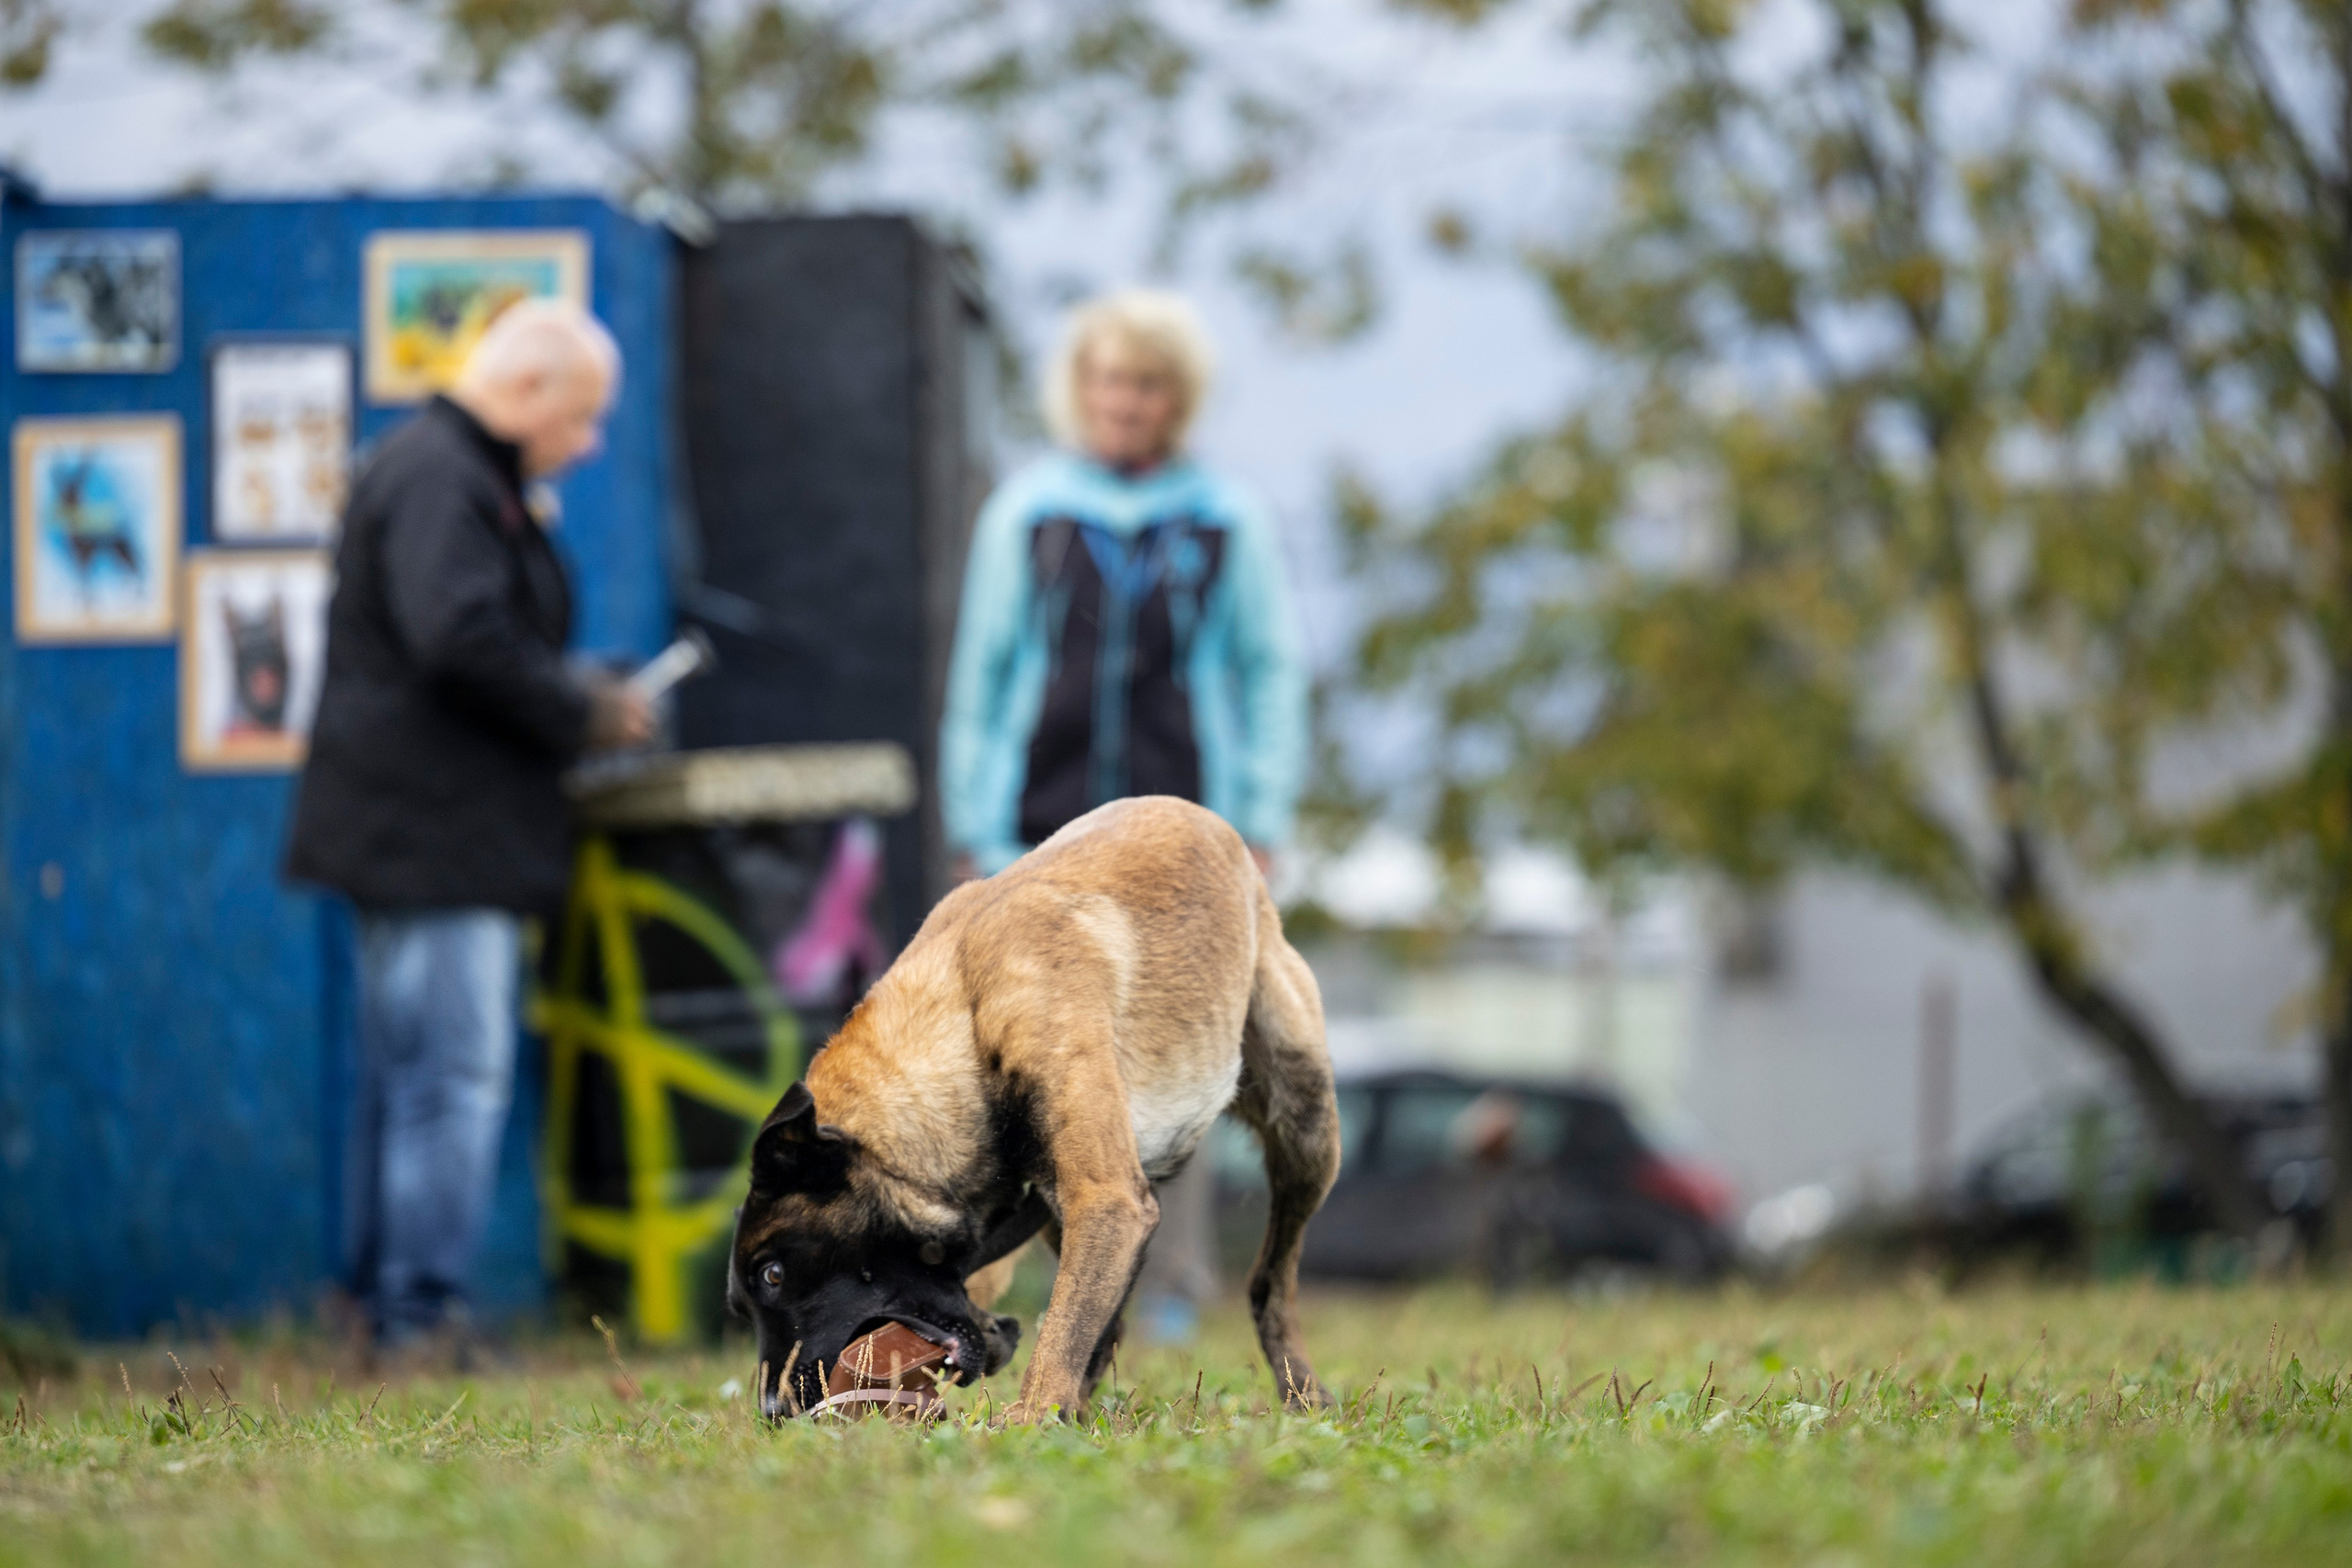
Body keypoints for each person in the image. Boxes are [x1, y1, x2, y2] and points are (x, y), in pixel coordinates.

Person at [939, 288, 1308, 1338]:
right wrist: (973, 818)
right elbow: (984, 669)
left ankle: (1173, 1286)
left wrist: (1264, 817)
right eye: (1106, 380)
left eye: (1143, 384)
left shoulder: (1225, 519)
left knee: (1181, 1060)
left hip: (1181, 843)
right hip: (1032, 824)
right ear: (1080, 389)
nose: (1122, 401)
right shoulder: (1028, 511)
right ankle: (987, 1282)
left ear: (1175, 398)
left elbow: (1268, 671)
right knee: (1015, 1060)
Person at [285, 299, 653, 1351]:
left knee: (401, 1078)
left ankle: (376, 1303)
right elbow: (458, 638)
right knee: (453, 1077)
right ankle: (419, 1315)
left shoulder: (439, 470)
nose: (585, 448)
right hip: (437, 838)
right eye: (581, 419)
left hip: (405, 829)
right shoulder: (447, 476)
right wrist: (582, 709)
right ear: (528, 388)